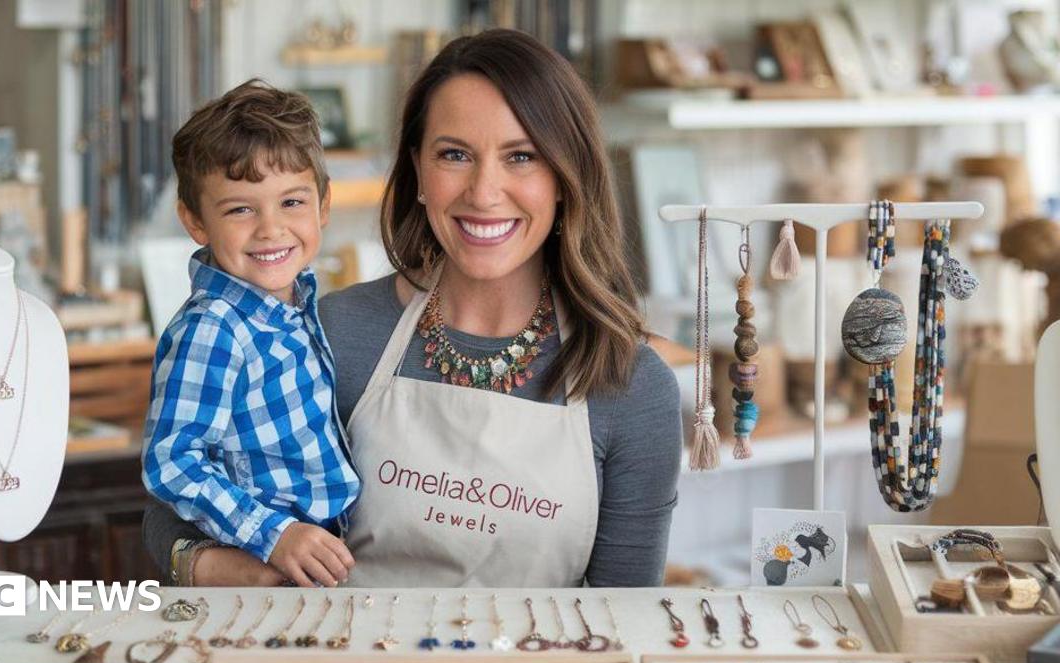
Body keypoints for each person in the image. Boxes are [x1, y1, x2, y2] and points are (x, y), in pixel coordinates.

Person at [145, 28, 682, 588]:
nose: (483, 191)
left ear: (566, 178)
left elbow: (625, 620)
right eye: (454, 155)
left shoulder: (632, 387)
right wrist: (212, 564)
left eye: (521, 156)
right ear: (419, 172)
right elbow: (169, 510)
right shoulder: (333, 332)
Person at [141, 79, 361, 589]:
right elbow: (172, 461)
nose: (270, 228)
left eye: (292, 202)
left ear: (323, 206)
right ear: (196, 222)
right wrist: (274, 534)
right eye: (241, 208)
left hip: (321, 560)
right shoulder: (214, 328)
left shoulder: (297, 306)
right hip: (263, 570)